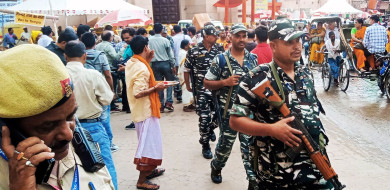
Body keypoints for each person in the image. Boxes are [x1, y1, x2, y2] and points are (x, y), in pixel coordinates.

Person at [229, 19, 333, 189]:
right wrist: (271, 129)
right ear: (274, 46)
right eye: (289, 42)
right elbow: (235, 121)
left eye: (298, 41)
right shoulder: (257, 77)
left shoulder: (304, 73)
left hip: (313, 166)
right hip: (277, 173)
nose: (297, 46)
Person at [0, 44, 114, 189]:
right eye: (48, 126)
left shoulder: (82, 147)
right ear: (8, 130)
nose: (68, 135)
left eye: (71, 116)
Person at [203, 24, 257, 188]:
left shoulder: (252, 59)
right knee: (225, 146)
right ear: (230, 37)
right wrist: (224, 82)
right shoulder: (220, 59)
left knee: (249, 147)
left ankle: (253, 179)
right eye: (238, 36)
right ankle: (216, 167)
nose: (242, 39)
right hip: (229, 112)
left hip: (248, 112)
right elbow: (206, 82)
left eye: (244, 36)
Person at [64, 41, 118, 189]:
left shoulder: (60, 75)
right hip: (92, 126)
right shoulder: (92, 75)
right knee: (104, 165)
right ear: (85, 56)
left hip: (65, 128)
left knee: (72, 169)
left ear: (65, 56)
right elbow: (107, 98)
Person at [126, 35, 167, 190]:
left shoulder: (133, 61)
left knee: (148, 144)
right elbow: (138, 92)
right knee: (148, 147)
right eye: (148, 47)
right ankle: (142, 180)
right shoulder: (141, 67)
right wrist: (156, 88)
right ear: (145, 48)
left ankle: (150, 172)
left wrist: (148, 60)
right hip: (145, 112)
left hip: (140, 111)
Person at [184, 25, 224, 159]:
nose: (217, 37)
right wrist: (188, 85)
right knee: (204, 118)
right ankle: (205, 144)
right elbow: (187, 69)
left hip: (217, 89)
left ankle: (210, 129)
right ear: (207, 36)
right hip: (201, 90)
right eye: (214, 35)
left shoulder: (219, 49)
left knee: (220, 117)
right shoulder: (194, 50)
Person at [81, 32, 119, 152]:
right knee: (104, 118)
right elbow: (107, 74)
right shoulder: (100, 55)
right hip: (100, 88)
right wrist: (111, 90)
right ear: (94, 42)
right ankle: (109, 143)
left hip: (85, 89)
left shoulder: (80, 55)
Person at [149, 23, 176, 113]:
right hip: (165, 63)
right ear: (161, 30)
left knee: (158, 84)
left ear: (153, 30)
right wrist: (173, 65)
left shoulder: (149, 40)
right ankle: (169, 102)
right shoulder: (165, 40)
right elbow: (170, 54)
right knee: (168, 83)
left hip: (154, 64)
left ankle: (160, 105)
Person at [177, 39, 193, 111]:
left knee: (188, 88)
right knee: (186, 88)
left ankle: (190, 104)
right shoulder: (183, 53)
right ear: (186, 46)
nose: (190, 46)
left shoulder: (182, 52)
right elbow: (184, 65)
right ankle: (186, 105)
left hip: (184, 72)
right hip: (184, 73)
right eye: (188, 45)